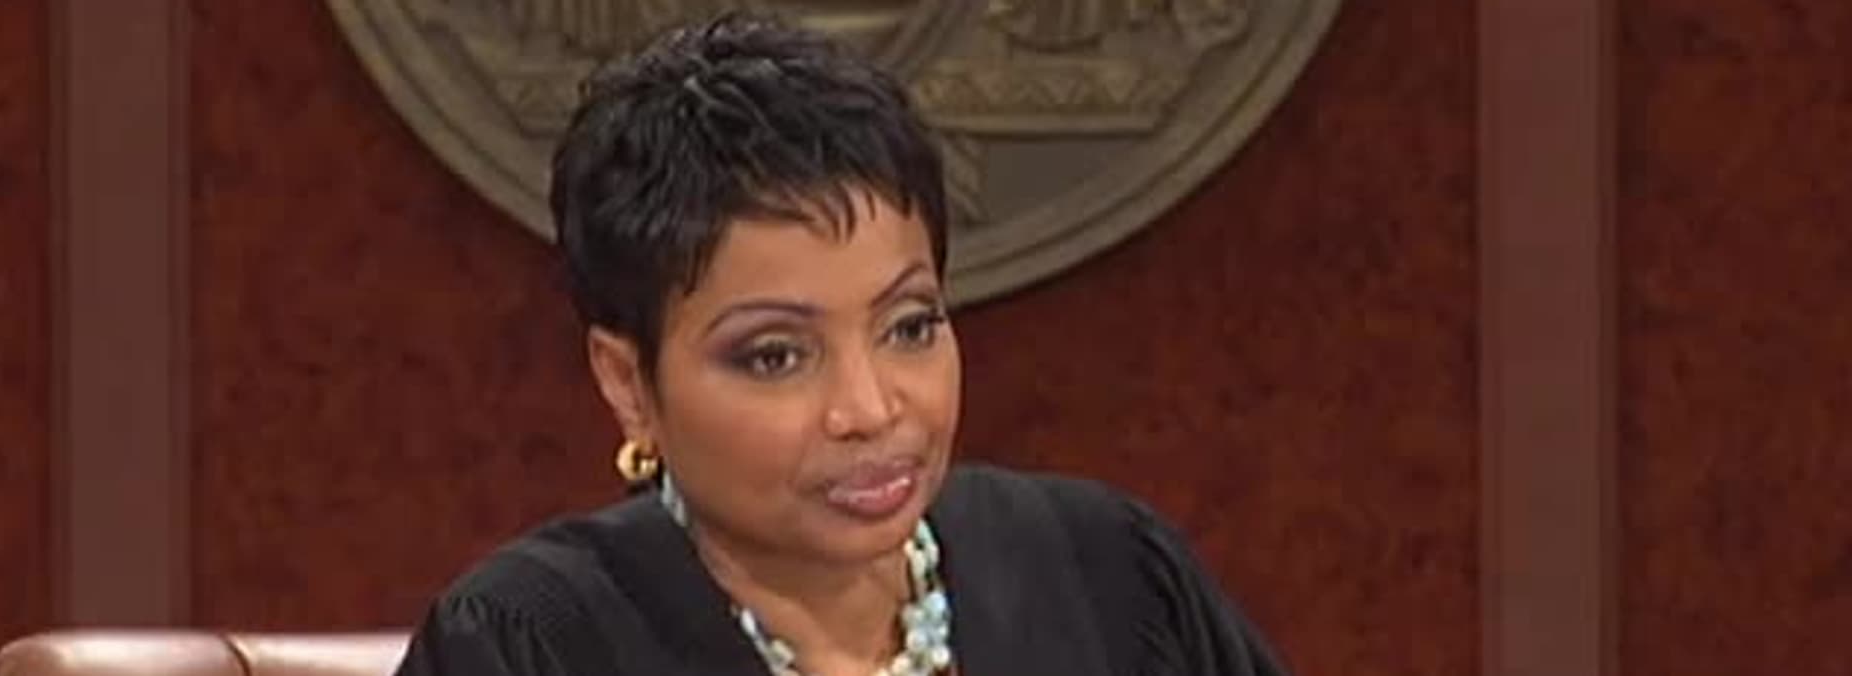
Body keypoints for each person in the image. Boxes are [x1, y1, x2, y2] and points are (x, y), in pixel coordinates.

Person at [393, 11, 1289, 676]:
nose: (870, 408)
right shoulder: (528, 646)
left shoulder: (1107, 577)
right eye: (775, 356)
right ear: (629, 383)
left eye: (909, 327)